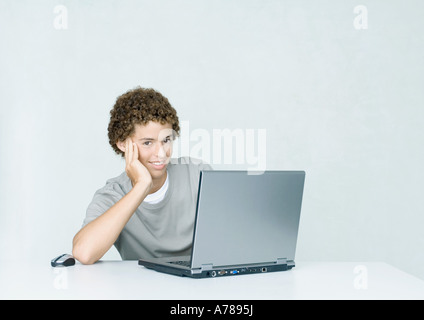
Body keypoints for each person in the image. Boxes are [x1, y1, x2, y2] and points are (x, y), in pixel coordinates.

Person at [72, 87, 212, 264]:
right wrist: (141, 187)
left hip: (198, 286)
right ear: (123, 144)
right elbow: (84, 252)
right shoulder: (113, 194)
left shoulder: (196, 173)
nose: (161, 153)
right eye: (147, 143)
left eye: (166, 140)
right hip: (142, 288)